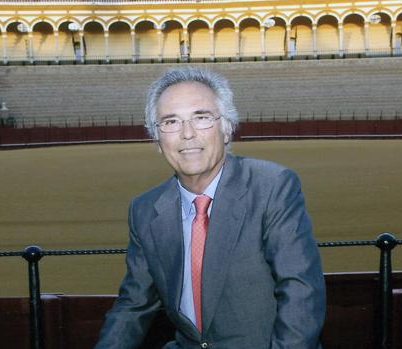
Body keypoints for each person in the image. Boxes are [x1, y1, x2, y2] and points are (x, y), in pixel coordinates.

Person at [95, 66, 325, 349]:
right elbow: (133, 306)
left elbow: (301, 293)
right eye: (171, 122)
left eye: (201, 117)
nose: (187, 134)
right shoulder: (145, 210)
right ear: (156, 138)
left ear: (227, 127)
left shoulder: (272, 186)